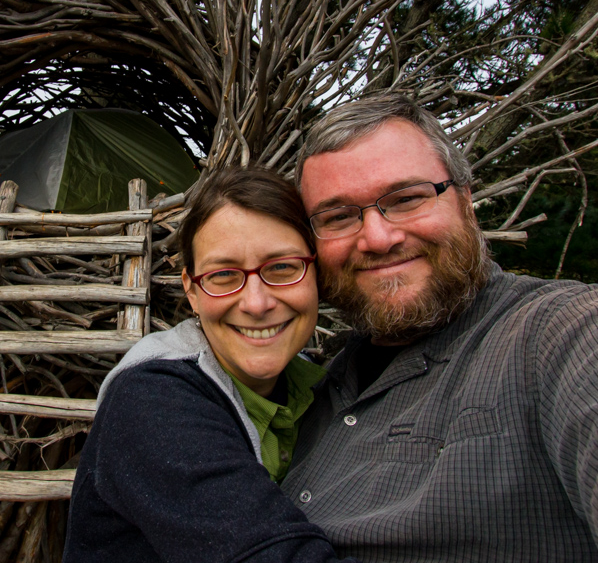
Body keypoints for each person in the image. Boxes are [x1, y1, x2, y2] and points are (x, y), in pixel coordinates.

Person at [283, 94, 598, 562]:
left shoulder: (559, 332)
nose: (377, 238)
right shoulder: (310, 390)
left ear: (466, 202)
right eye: (338, 216)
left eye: (407, 199)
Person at [64, 168, 356, 563]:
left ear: (314, 273)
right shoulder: (150, 402)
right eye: (223, 275)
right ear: (192, 290)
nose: (256, 303)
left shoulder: (320, 383)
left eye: (283, 267)